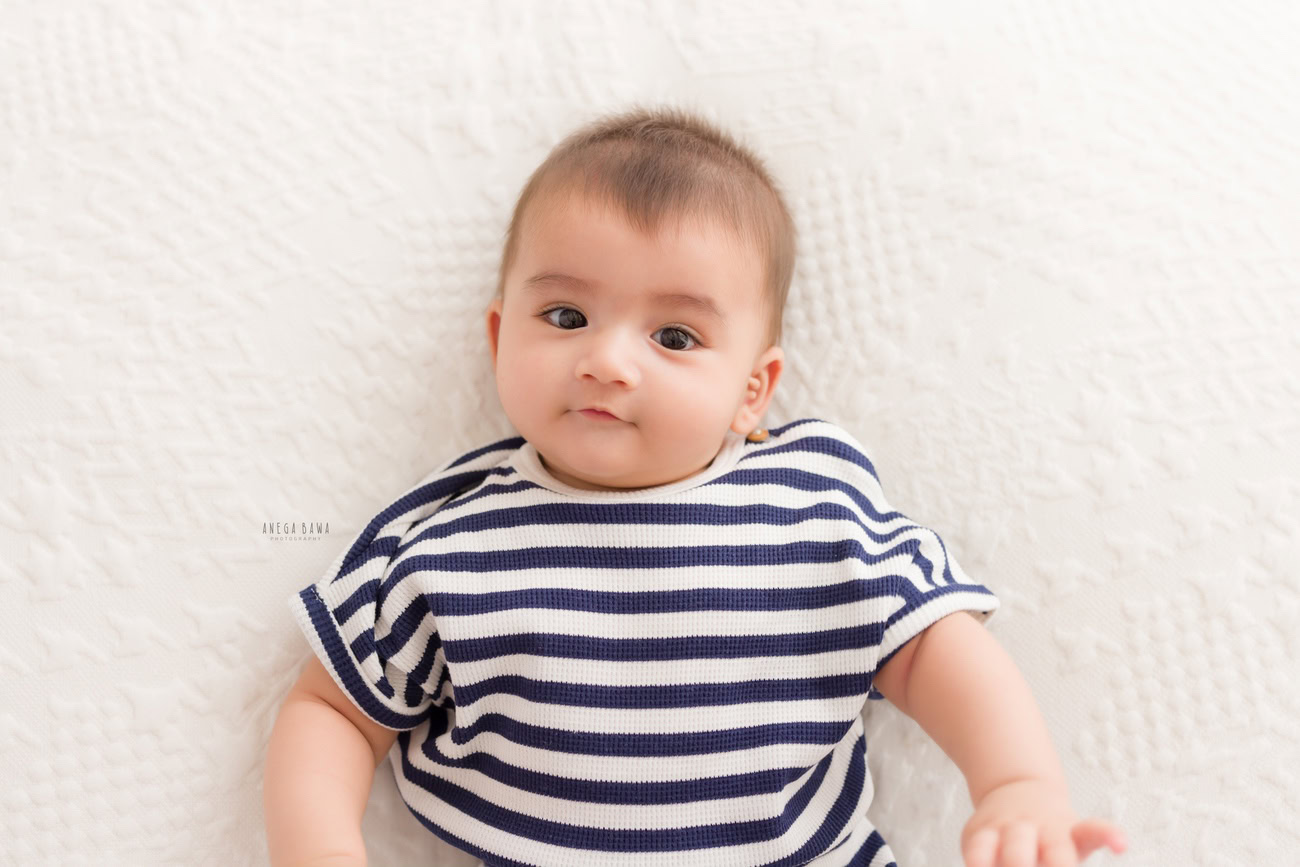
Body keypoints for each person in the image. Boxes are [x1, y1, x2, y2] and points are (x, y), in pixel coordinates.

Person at [263, 104, 1129, 867]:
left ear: (753, 389)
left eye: (674, 336)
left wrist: (1017, 780)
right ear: (498, 339)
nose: (606, 360)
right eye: (565, 317)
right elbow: (333, 708)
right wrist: (322, 849)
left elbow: (931, 646)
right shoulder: (447, 541)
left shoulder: (810, 507)